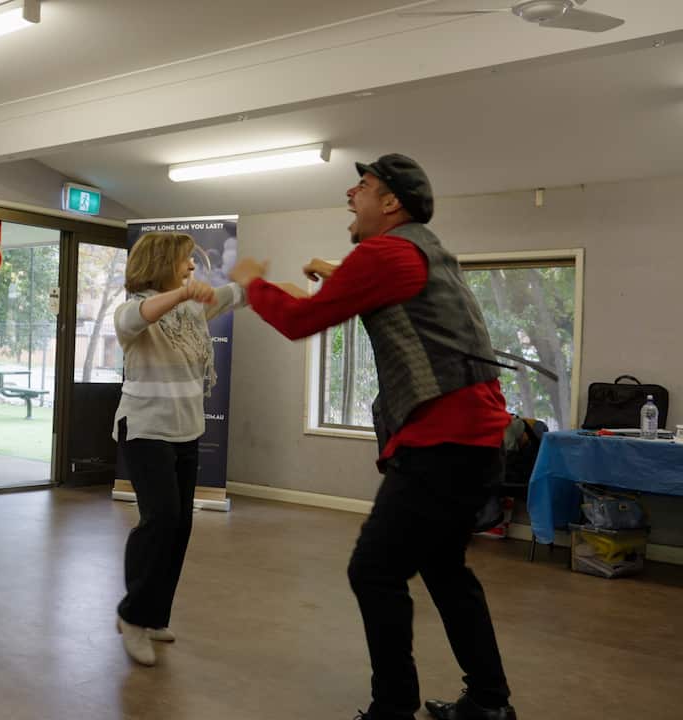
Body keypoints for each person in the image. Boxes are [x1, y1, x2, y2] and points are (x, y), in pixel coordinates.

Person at [229, 154, 516, 720]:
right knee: (444, 570)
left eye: (362, 187)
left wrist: (252, 283)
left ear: (391, 203)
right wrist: (336, 275)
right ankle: (488, 703)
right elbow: (403, 300)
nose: (349, 195)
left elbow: (299, 322)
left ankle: (393, 709)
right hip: (477, 440)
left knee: (374, 570)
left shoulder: (384, 252)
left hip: (442, 444)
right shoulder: (423, 250)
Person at [112, 231, 248, 667]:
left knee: (180, 525)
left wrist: (257, 281)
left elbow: (236, 293)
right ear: (163, 263)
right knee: (161, 518)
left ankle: (154, 616)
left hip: (186, 431)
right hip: (145, 429)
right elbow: (139, 318)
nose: (193, 267)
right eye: (185, 261)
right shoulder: (132, 310)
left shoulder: (193, 310)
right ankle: (132, 616)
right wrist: (185, 294)